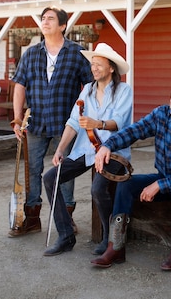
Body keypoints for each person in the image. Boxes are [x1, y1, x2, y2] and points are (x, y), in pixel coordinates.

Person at [91, 78, 171, 271]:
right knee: (126, 184)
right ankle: (116, 246)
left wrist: (159, 185)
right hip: (165, 177)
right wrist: (108, 145)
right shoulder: (162, 115)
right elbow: (135, 131)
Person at [8, 6, 94, 238]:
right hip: (34, 124)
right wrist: (17, 118)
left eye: (50, 19)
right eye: (43, 18)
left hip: (65, 124)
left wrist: (83, 115)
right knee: (33, 170)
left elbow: (90, 87)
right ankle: (33, 219)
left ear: (63, 25)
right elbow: (20, 86)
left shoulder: (77, 53)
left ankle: (66, 220)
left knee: (63, 171)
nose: (44, 22)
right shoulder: (31, 53)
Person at [43, 43, 133, 256]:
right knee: (50, 179)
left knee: (97, 189)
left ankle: (109, 238)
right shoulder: (87, 91)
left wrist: (98, 123)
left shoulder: (123, 90)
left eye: (99, 65)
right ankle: (66, 236)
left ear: (111, 68)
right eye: (93, 64)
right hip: (86, 150)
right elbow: (73, 122)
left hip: (113, 151)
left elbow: (118, 122)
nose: (94, 68)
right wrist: (60, 149)